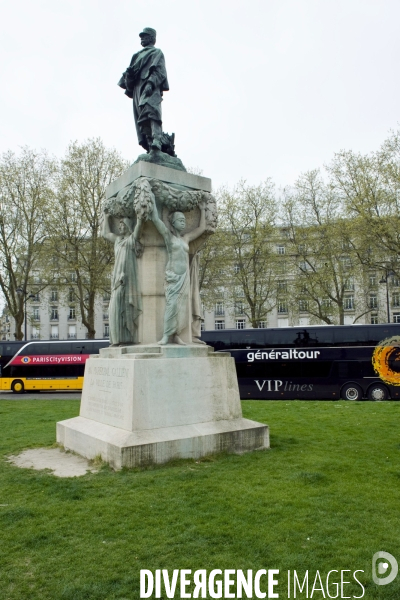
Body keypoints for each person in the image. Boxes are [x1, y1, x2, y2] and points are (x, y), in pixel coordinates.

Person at [149, 203, 207, 345]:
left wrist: (202, 209)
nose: (183, 222)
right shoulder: (169, 237)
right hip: (173, 277)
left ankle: (176, 335)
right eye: (180, 220)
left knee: (182, 309)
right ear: (173, 223)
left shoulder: (185, 238)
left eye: (184, 220)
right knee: (172, 307)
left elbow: (202, 228)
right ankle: (166, 335)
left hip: (184, 278)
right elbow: (156, 220)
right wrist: (151, 202)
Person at [118, 27, 168, 153]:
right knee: (142, 117)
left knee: (152, 111)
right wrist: (129, 76)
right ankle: (150, 145)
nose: (142, 38)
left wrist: (151, 83)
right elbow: (129, 85)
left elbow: (160, 72)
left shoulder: (157, 53)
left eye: (145, 36)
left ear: (152, 38)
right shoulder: (136, 56)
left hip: (151, 86)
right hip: (137, 89)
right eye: (141, 37)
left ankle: (157, 139)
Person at [102, 214, 143, 346]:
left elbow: (137, 231)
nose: (120, 226)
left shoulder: (131, 240)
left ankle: (125, 338)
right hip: (116, 281)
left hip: (126, 280)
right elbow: (105, 233)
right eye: (119, 224)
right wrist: (106, 217)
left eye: (123, 224)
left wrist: (141, 217)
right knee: (114, 310)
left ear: (128, 226)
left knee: (124, 309)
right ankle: (116, 339)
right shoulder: (118, 240)